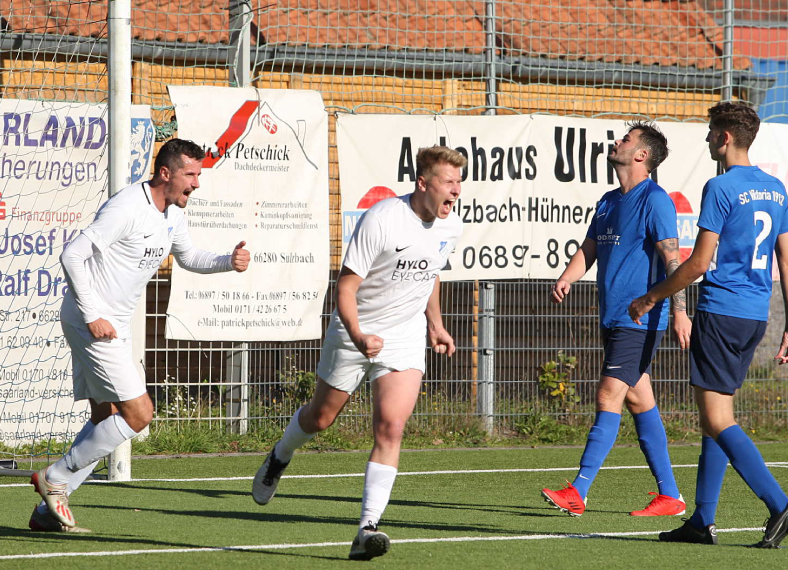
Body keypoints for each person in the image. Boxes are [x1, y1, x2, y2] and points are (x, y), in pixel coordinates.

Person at [252, 146, 466, 561]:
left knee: (391, 427)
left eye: (459, 183)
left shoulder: (451, 225)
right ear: (423, 183)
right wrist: (358, 335)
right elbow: (346, 288)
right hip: (356, 330)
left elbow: (431, 273)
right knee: (321, 417)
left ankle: (367, 527)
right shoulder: (383, 219)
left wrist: (436, 324)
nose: (455, 192)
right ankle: (280, 455)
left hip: (404, 336)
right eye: (447, 182)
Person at [30, 138, 251, 532]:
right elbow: (72, 255)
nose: (197, 183)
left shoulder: (172, 213)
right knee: (138, 414)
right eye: (191, 174)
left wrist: (227, 263)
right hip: (92, 323)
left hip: (110, 323)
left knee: (106, 418)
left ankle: (48, 511)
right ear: (165, 173)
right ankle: (56, 478)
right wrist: (94, 314)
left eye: (199, 174)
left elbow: (188, 257)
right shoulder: (127, 207)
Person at [628, 101, 788, 548]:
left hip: (722, 312)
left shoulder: (721, 187)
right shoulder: (775, 188)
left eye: (710, 132)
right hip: (755, 317)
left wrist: (653, 296)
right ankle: (701, 521)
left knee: (717, 417)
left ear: (725, 137)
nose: (707, 140)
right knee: (715, 416)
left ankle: (780, 505)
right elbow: (787, 260)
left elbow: (700, 263)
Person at [541, 122, 691, 518]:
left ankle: (579, 490)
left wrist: (680, 312)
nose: (617, 142)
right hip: (611, 317)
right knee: (640, 401)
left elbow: (672, 261)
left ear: (641, 155)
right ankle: (671, 495)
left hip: (639, 320)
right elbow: (588, 249)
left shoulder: (655, 200)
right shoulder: (607, 201)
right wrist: (567, 277)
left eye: (626, 139)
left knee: (608, 394)